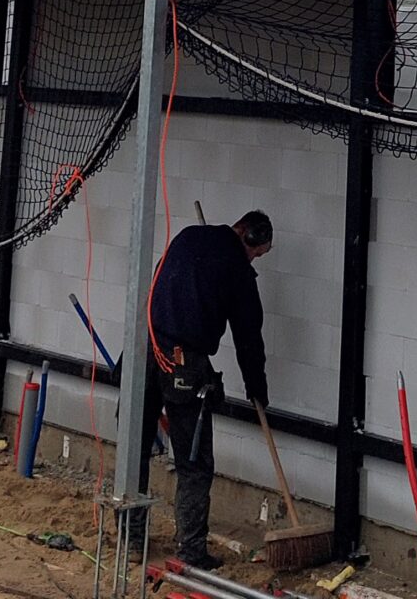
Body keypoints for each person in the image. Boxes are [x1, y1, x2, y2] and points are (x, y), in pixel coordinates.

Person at [136, 209, 273, 569]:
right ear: (249, 238)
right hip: (184, 362)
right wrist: (256, 387)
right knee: (194, 464)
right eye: (258, 253)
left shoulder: (188, 237)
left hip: (143, 351)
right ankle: (191, 552)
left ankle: (132, 540)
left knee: (135, 448)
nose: (254, 260)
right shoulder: (237, 268)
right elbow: (248, 336)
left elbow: (156, 284)